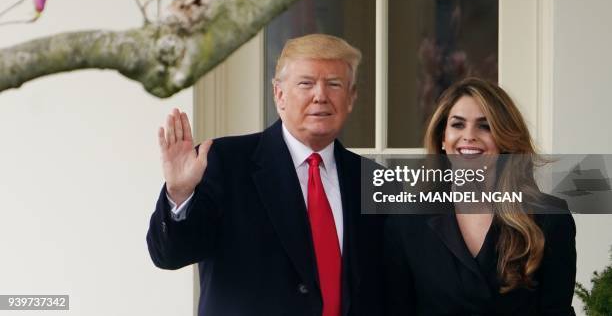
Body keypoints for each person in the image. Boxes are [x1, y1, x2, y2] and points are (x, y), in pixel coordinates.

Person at [147, 34, 384, 316]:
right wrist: (179, 193)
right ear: (279, 94)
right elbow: (170, 255)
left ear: (351, 98)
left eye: (334, 84)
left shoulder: (373, 179)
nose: (320, 95)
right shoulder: (224, 162)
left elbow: (393, 283)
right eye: (306, 83)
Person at [384, 77, 577, 315]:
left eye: (485, 126)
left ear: (504, 140)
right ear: (442, 139)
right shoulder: (406, 219)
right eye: (457, 125)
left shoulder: (549, 217)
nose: (469, 136)